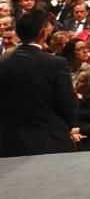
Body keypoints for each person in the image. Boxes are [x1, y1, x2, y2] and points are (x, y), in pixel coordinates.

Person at [0, 8, 77, 156]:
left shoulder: (2, 62)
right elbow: (68, 106)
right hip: (49, 142)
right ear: (43, 33)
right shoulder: (56, 63)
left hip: (8, 143)